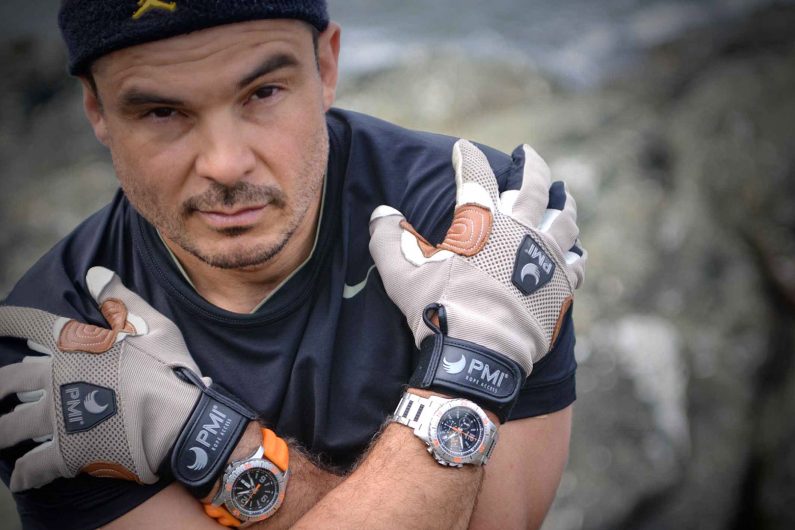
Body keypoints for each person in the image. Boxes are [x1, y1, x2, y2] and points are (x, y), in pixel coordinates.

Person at [0, 1, 586, 528]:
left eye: (263, 93)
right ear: (97, 110)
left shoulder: (478, 218)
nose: (225, 164)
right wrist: (470, 374)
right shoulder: (52, 349)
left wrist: (210, 448)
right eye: (161, 112)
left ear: (326, 67)